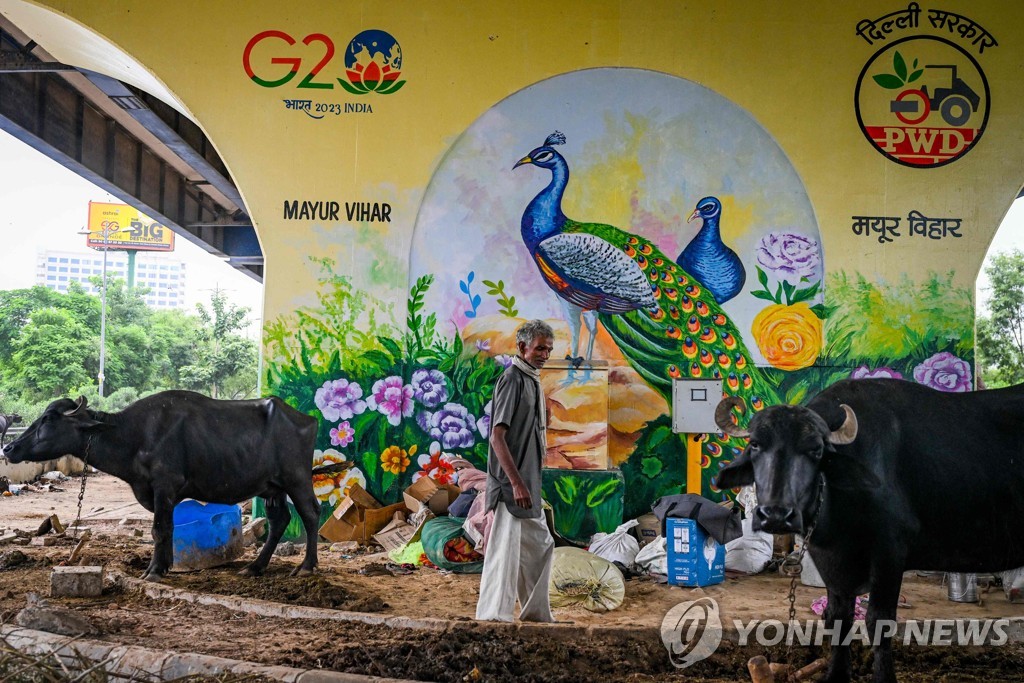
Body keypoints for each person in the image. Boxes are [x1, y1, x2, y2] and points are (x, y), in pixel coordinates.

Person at [475, 319, 556, 623]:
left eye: (548, 349)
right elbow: (497, 437)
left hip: (527, 485)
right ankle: (493, 615)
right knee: (504, 553)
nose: (545, 354)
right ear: (522, 348)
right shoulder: (513, 379)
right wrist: (517, 484)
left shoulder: (531, 378)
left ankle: (536, 612)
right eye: (539, 348)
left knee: (541, 547)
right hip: (513, 487)